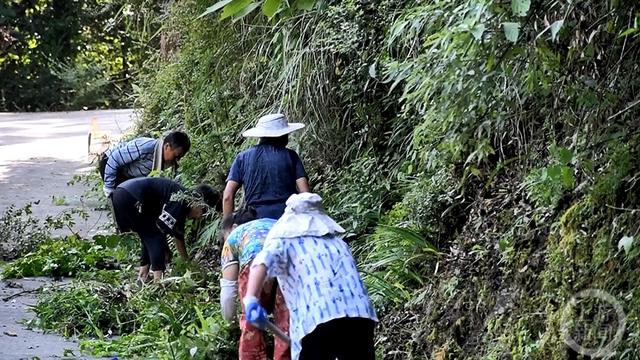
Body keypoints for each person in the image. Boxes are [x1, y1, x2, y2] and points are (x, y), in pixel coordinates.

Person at [242, 193, 378, 360]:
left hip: (318, 318)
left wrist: (250, 299)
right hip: (360, 315)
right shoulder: (338, 242)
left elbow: (261, 262)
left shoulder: (285, 241)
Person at [110, 177, 219, 281]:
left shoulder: (183, 202)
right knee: (155, 235)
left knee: (148, 234)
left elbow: (178, 236)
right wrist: (166, 251)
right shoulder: (181, 200)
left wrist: (188, 264)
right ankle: (158, 281)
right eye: (203, 212)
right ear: (199, 202)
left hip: (123, 193)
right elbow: (161, 228)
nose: (199, 217)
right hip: (129, 196)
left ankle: (143, 275)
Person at [219, 207, 290, 360]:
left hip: (254, 264)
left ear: (233, 228)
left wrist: (230, 322)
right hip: (287, 264)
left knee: (252, 326)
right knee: (286, 321)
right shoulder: (274, 223)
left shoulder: (234, 236)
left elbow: (228, 292)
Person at [223, 113, 310, 221]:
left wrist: (226, 228)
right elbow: (305, 194)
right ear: (282, 136)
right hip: (287, 219)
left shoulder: (242, 158)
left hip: (254, 219)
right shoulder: (291, 156)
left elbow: (227, 196)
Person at [100, 131, 191, 198]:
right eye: (176, 156)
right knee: (121, 199)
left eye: (180, 157)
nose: (177, 160)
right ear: (167, 147)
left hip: (129, 174)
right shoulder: (145, 147)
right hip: (110, 163)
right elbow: (114, 159)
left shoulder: (166, 160)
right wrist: (109, 188)